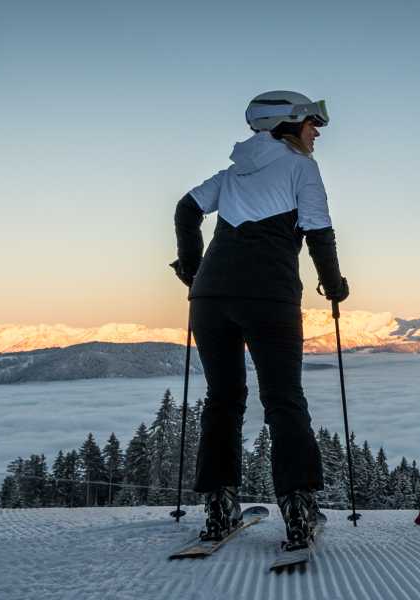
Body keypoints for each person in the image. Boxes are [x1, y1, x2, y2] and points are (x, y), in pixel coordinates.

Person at [171, 90, 346, 550]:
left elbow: (186, 209)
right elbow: (319, 231)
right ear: (286, 124)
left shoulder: (233, 173)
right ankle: (299, 513)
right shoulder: (301, 168)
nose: (317, 132)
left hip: (210, 297)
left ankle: (218, 509)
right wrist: (334, 284)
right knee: (284, 399)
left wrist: (191, 267)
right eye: (312, 123)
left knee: (223, 399)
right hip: (269, 296)